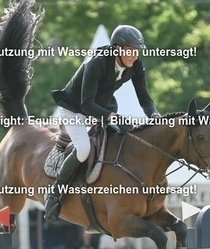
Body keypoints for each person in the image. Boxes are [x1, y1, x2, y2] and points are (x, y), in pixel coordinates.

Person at [44, 25, 161, 221]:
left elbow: (144, 98)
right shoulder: (97, 63)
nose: (135, 56)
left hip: (102, 105)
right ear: (117, 48)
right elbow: (86, 104)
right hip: (75, 108)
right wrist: (113, 117)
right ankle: (55, 193)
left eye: (137, 51)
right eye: (131, 51)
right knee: (84, 149)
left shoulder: (136, 64)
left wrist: (154, 115)